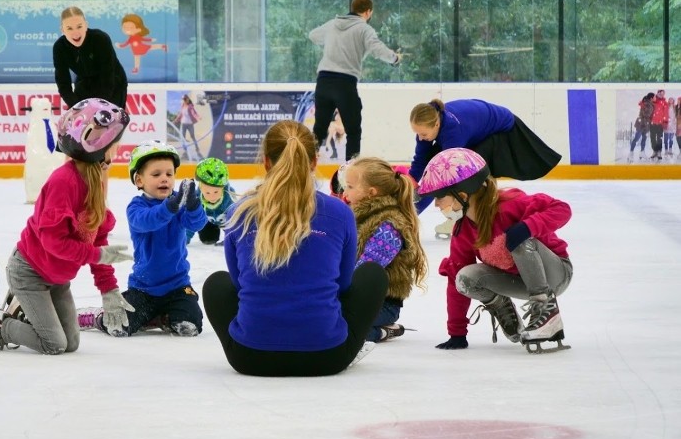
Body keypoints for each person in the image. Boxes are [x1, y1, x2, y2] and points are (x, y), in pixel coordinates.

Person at [202, 120, 388, 377]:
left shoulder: (239, 213)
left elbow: (237, 283)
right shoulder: (339, 213)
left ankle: (262, 333)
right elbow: (344, 285)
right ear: (314, 162)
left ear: (266, 162)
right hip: (327, 357)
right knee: (372, 274)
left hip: (249, 357)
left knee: (217, 284)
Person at [0, 98, 134, 353]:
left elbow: (97, 239)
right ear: (96, 146)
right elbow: (53, 242)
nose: (118, 150)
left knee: (72, 344)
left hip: (57, 278)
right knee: (54, 344)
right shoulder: (64, 182)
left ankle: (25, 310)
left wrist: (109, 290)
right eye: (115, 144)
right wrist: (95, 255)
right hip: (30, 273)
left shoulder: (97, 180)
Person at [416, 148, 573, 353]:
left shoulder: (509, 205)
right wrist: (457, 332)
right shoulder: (463, 231)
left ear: (461, 195)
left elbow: (561, 208)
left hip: (554, 274)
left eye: (439, 197)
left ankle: (547, 310)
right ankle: (502, 307)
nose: (436, 205)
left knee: (517, 239)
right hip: (518, 282)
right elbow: (456, 278)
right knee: (464, 278)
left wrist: (527, 227)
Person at [90, 140, 207, 337]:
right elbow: (149, 221)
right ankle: (98, 317)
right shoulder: (136, 207)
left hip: (177, 287)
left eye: (169, 174)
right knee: (119, 326)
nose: (165, 179)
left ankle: (160, 317)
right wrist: (170, 207)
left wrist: (194, 206)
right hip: (143, 289)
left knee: (190, 323)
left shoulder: (178, 202)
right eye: (156, 174)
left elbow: (196, 224)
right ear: (139, 181)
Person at [408, 98, 562, 238]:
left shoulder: (453, 132)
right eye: (417, 134)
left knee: (470, 173)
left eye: (423, 134)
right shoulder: (428, 126)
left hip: (502, 128)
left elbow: (443, 179)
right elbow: (421, 160)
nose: (420, 138)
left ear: (436, 124)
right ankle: (458, 214)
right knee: (444, 166)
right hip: (476, 129)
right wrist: (409, 181)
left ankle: (461, 217)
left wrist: (410, 216)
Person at [342, 157, 428, 342]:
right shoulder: (356, 216)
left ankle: (382, 331)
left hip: (382, 305)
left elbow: (364, 271)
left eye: (350, 186)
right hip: (353, 296)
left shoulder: (389, 227)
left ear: (371, 193)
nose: (344, 192)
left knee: (337, 327)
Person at [308, 0, 402, 160]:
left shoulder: (333, 24)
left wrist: (332, 41)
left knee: (319, 129)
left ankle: (304, 164)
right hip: (344, 83)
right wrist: (394, 58)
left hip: (323, 81)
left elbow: (313, 36)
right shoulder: (364, 29)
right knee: (353, 131)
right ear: (368, 12)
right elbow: (377, 48)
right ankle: (349, 172)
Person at [53, 6, 128, 109]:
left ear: (86, 25)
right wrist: (75, 106)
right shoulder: (59, 47)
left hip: (113, 82)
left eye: (79, 26)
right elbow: (63, 82)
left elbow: (107, 75)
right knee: (83, 121)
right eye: (69, 28)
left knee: (107, 121)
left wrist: (99, 106)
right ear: (63, 30)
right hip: (84, 82)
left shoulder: (100, 39)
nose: (75, 33)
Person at [186, 157, 236, 245]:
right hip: (207, 220)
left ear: (223, 188)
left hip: (224, 222)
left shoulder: (230, 200)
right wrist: (185, 238)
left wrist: (231, 239)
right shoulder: (196, 199)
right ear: (201, 189)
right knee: (208, 239)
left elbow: (235, 223)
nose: (212, 196)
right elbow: (193, 220)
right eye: (207, 192)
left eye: (216, 191)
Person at [172, 94, 204, 160]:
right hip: (183, 124)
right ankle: (185, 149)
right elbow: (180, 114)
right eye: (183, 99)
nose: (184, 100)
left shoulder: (190, 106)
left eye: (185, 99)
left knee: (192, 136)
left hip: (190, 124)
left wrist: (198, 117)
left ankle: (197, 148)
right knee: (182, 137)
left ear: (187, 99)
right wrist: (175, 120)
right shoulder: (183, 106)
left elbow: (193, 113)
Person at [628, 92, 655, 162]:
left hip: (646, 124)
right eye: (654, 97)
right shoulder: (647, 103)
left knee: (644, 139)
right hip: (641, 123)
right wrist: (647, 120)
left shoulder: (650, 104)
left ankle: (642, 152)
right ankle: (631, 153)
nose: (655, 98)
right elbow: (644, 114)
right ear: (651, 98)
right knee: (636, 138)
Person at [649, 89, 669, 160]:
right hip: (652, 123)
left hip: (660, 123)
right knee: (652, 138)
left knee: (659, 138)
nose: (662, 95)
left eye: (663, 93)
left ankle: (659, 151)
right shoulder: (653, 101)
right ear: (657, 93)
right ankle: (654, 151)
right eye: (660, 93)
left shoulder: (665, 103)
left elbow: (666, 113)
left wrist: (665, 122)